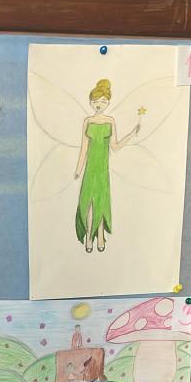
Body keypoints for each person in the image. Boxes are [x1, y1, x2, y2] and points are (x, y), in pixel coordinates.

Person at [74, 79, 140, 253]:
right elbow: (83, 148)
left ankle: (100, 235)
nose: (98, 104)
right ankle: (90, 237)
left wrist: (131, 134)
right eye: (95, 101)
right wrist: (78, 170)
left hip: (102, 171)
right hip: (90, 170)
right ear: (90, 102)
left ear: (108, 103)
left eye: (103, 101)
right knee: (88, 204)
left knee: (101, 203)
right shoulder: (87, 121)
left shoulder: (110, 121)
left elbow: (115, 146)